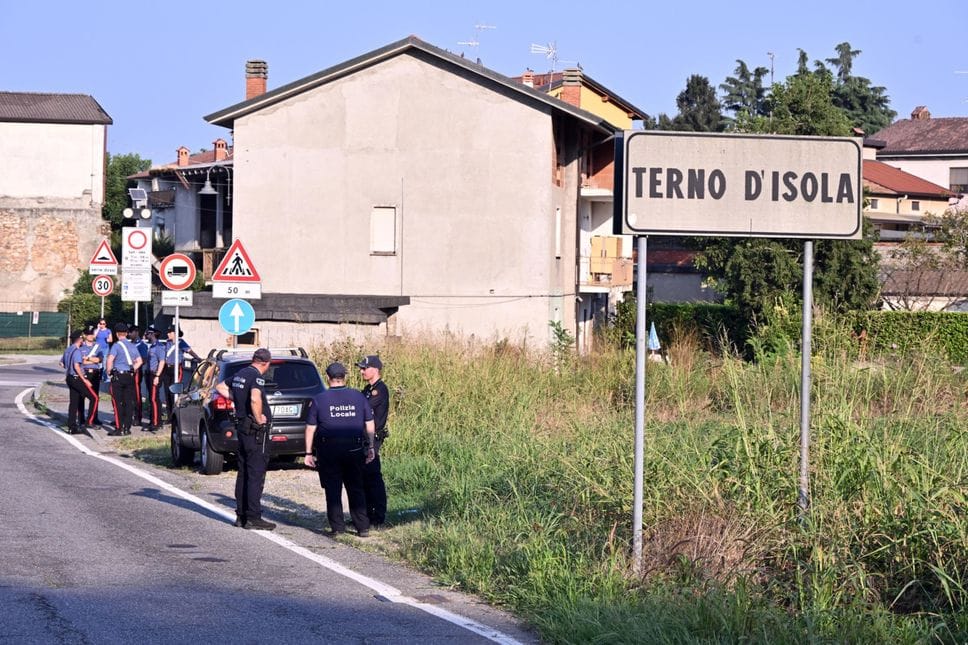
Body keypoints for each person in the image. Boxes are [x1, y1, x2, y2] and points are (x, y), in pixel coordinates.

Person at [304, 362, 376, 537]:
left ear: (328, 378)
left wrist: (308, 453)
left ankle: (338, 528)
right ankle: (363, 526)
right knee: (356, 487)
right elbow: (369, 423)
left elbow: (310, 428)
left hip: (329, 450)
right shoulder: (358, 396)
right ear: (344, 377)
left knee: (333, 489)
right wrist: (371, 446)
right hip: (354, 448)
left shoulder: (319, 399)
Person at [215, 348, 276, 531]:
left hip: (242, 428)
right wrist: (259, 418)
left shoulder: (241, 374)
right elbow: (255, 399)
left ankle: (241, 516)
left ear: (253, 359)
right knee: (256, 473)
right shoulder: (256, 377)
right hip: (255, 430)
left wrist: (238, 400)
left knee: (243, 472)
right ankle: (253, 517)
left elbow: (220, 387)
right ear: (266, 363)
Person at [357, 355, 389, 527]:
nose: (362, 371)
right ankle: (367, 514)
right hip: (364, 437)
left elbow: (362, 409)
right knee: (365, 477)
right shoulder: (368, 389)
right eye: (361, 368)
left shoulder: (380, 390)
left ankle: (378, 515)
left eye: (364, 368)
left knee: (373, 477)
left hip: (373, 438)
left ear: (375, 369)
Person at [105, 323, 143, 436]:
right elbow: (140, 361)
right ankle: (127, 428)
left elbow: (110, 360)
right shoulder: (132, 346)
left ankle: (119, 427)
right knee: (128, 402)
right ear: (126, 333)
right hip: (129, 376)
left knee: (117, 402)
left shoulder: (116, 346)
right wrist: (133, 369)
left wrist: (109, 372)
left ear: (117, 334)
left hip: (118, 376)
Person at [163, 325, 201, 415]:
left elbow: (190, 351)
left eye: (170, 332)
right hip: (167, 368)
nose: (168, 334)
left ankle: (174, 413)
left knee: (174, 391)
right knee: (167, 391)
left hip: (176, 368)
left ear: (175, 333)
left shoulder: (181, 342)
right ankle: (169, 414)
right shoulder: (167, 342)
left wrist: (198, 358)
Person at [63, 331, 96, 434]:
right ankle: (89, 421)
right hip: (77, 378)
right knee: (94, 397)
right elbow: (77, 366)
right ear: (80, 339)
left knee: (74, 402)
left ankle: (72, 426)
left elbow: (62, 363)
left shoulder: (68, 350)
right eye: (82, 338)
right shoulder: (77, 351)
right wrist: (85, 380)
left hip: (69, 377)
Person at [79, 325, 105, 426]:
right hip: (84, 372)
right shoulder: (81, 346)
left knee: (95, 396)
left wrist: (89, 359)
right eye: (88, 334)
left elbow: (100, 359)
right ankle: (81, 418)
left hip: (95, 373)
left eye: (92, 334)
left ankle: (94, 417)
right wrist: (92, 360)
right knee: (82, 396)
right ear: (85, 335)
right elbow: (81, 361)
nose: (90, 336)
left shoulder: (97, 346)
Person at [144, 326, 167, 432]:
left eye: (148, 333)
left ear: (152, 334)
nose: (146, 335)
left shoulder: (159, 347)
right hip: (149, 374)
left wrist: (157, 376)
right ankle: (153, 420)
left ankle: (156, 423)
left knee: (154, 398)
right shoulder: (151, 346)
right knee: (152, 398)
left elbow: (162, 361)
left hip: (155, 375)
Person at [129, 325, 148, 428]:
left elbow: (144, 359)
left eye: (131, 332)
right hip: (128, 371)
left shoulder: (141, 345)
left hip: (136, 372)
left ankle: (138, 417)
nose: (129, 334)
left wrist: (135, 363)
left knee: (136, 395)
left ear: (136, 332)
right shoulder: (129, 344)